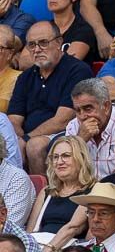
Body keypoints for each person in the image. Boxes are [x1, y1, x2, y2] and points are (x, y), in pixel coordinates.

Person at [9, 22, 92, 173]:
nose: (37, 49)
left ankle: (46, 193)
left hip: (66, 132)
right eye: (31, 45)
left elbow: (63, 120)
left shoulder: (77, 70)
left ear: (59, 42)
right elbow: (14, 118)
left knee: (34, 146)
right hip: (28, 136)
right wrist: (18, 139)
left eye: (43, 43)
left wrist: (26, 138)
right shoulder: (25, 77)